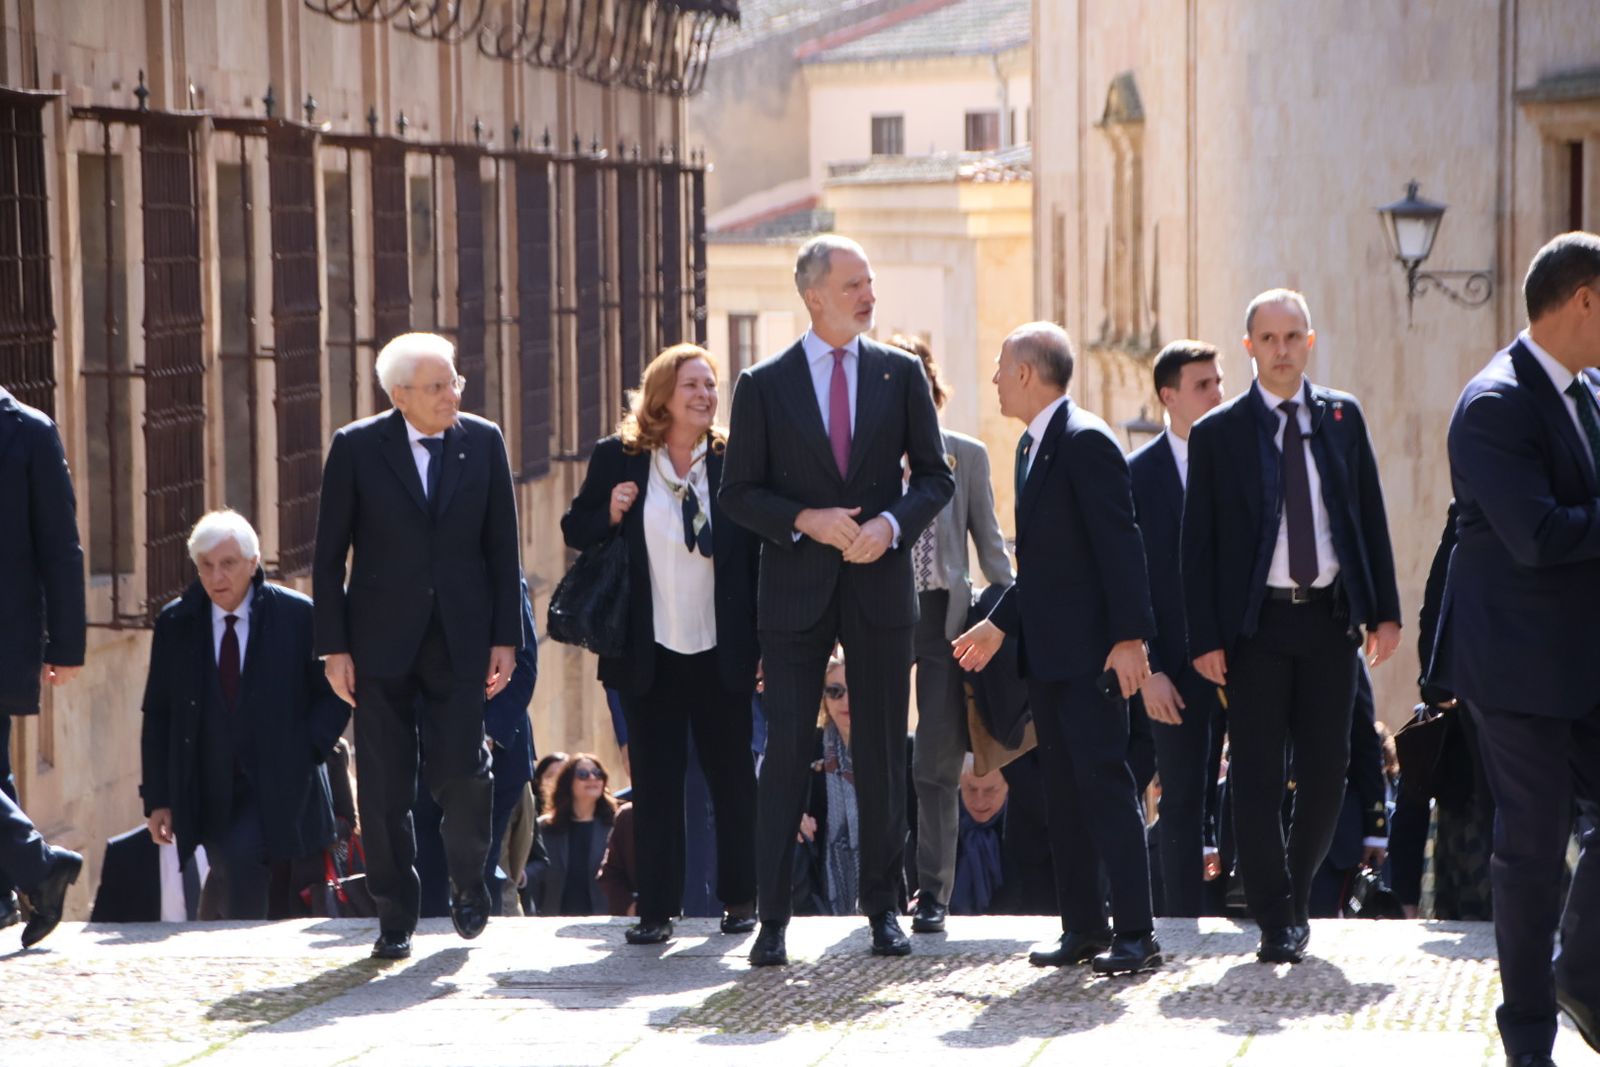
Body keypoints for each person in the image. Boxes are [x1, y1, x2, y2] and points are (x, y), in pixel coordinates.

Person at [720, 234, 953, 967]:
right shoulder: (763, 383)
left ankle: (884, 907)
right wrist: (805, 520)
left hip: (880, 586)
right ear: (814, 295)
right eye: (854, 283)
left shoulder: (900, 373)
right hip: (794, 590)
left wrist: (889, 526)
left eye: (871, 282)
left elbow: (936, 478)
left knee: (884, 751)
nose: (868, 294)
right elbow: (738, 494)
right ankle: (774, 921)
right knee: (786, 749)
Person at [1181, 288, 1402, 965]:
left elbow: (1367, 511)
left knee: (1329, 768)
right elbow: (1198, 544)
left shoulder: (1341, 416)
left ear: (1309, 341)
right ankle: (1276, 915)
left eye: (1292, 337)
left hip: (1330, 621)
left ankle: (1294, 895)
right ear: (1249, 347)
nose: (1281, 350)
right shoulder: (1219, 432)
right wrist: (1204, 638)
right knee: (1253, 774)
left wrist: (1385, 609)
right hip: (1255, 629)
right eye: (1268, 339)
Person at [954, 321, 1161, 976]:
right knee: (1065, 797)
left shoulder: (1086, 441)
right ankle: (1083, 928)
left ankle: (1136, 931)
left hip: (1093, 659)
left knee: (1104, 787)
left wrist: (1131, 639)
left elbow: (1121, 545)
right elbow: (1044, 566)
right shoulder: (1029, 446)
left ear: (1025, 373)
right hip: (1050, 658)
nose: (992, 379)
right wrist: (1002, 624)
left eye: (999, 366)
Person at [312, 331, 524, 961]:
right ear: (399, 395)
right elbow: (327, 560)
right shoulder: (355, 449)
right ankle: (395, 914)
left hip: (460, 639)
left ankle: (467, 884)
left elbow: (502, 550)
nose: (451, 395)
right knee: (383, 787)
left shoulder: (482, 442)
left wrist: (505, 639)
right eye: (436, 387)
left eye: (454, 381)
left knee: (463, 772)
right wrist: (334, 648)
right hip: (379, 644)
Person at [1446, 231, 1600, 1066]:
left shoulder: (1592, 392)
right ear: (1584, 300)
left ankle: (1580, 973)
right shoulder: (1494, 403)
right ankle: (1530, 1039)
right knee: (1532, 850)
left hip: (1588, 661)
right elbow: (1536, 535)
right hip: (1519, 669)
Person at [562, 343, 761, 945]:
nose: (705, 395)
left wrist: (764, 647)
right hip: (647, 650)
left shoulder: (734, 459)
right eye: (692, 386)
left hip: (720, 647)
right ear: (662, 396)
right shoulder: (620, 458)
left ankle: (740, 900)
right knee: (656, 782)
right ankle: (657, 910)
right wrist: (614, 513)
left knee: (732, 778)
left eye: (711, 385)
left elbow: (759, 554)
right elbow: (576, 528)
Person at [141, 511, 348, 920]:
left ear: (253, 564)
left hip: (281, 780)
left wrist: (308, 747)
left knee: (244, 860)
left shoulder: (298, 617)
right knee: (231, 865)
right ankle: (235, 949)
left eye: (228, 564)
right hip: (208, 784)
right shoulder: (177, 623)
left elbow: (337, 692)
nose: (217, 576)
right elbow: (159, 714)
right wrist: (158, 799)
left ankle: (243, 954)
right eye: (206, 566)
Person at [885, 335, 1012, 935]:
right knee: (881, 757)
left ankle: (933, 893)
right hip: (879, 616)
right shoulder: (862, 461)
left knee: (935, 762)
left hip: (945, 621)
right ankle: (883, 891)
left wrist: (1012, 614)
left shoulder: (965, 454)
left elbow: (991, 547)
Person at [1127, 340, 1225, 918]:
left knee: (1258, 795)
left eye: (1219, 382)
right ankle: (1185, 927)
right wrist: (1152, 670)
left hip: (1246, 657)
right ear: (1169, 396)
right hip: (1172, 667)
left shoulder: (1246, 458)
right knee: (1183, 801)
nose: (1217, 394)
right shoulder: (1137, 476)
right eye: (1203, 385)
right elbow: (1130, 580)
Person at [0, 382, 87, 947]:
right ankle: (15, 884)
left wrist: (66, 645)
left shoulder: (29, 430)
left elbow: (61, 545)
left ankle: (38, 866)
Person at [413, 582, 539, 917]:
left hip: (494, 755)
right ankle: (431, 937)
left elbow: (523, 667)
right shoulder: (406, 565)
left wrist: (487, 737)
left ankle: (473, 937)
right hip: (423, 747)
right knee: (427, 864)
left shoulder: (501, 575)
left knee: (481, 862)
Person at [529, 754, 617, 917]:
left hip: (604, 922)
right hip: (554, 922)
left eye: (597, 773)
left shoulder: (616, 825)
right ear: (568, 782)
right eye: (583, 774)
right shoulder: (545, 827)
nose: (592, 778)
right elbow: (534, 875)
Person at [950, 755, 1009, 915]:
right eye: (971, 789)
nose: (980, 801)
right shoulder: (941, 831)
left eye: (990, 790)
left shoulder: (1026, 833)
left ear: (1007, 787)